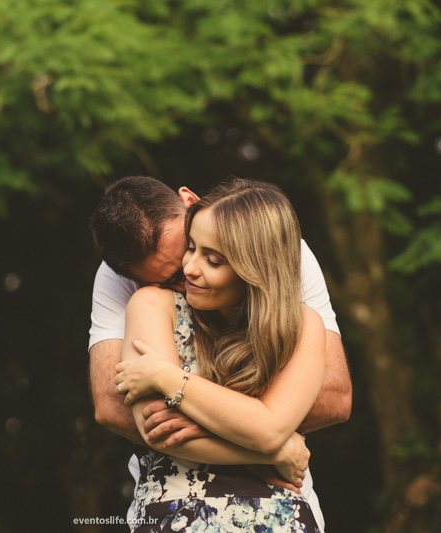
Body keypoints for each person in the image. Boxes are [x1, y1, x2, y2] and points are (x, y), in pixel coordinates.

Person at [88, 176, 351, 530]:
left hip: (278, 508)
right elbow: (140, 417)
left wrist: (171, 380)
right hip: (177, 508)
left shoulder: (292, 286)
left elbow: (327, 400)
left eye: (210, 257)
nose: (188, 270)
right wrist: (269, 450)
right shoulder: (146, 298)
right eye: (190, 250)